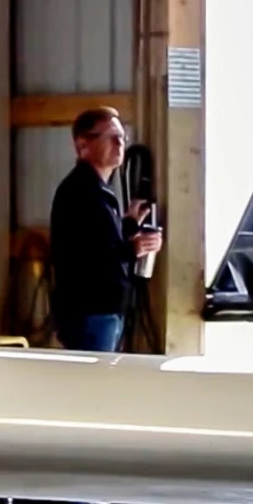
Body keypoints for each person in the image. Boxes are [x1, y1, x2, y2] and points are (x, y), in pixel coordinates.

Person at [48, 106, 163, 352]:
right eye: (111, 137)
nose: (120, 144)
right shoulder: (82, 192)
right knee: (93, 375)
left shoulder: (96, 191)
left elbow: (101, 241)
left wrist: (130, 224)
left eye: (122, 137)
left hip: (98, 313)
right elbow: (88, 257)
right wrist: (135, 248)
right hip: (90, 313)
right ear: (83, 145)